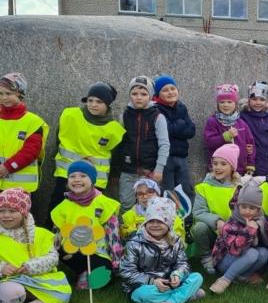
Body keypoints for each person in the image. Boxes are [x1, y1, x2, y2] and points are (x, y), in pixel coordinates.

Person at [119, 197, 204, 303]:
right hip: (144, 286)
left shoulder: (175, 241)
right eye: (151, 221)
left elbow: (183, 263)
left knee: (197, 277)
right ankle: (187, 294)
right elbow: (126, 272)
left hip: (168, 282)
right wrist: (152, 281)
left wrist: (177, 275)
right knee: (144, 294)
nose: (155, 225)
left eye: (160, 221)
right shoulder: (134, 243)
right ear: (145, 222)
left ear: (169, 223)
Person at [50, 81, 124, 212]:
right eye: (90, 100)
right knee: (58, 209)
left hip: (95, 179)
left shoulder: (115, 129)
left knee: (88, 214)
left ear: (107, 104)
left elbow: (116, 156)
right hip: (67, 174)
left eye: (99, 102)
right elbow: (58, 140)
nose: (93, 104)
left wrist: (114, 174)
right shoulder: (70, 115)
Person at [0, 188, 71, 303]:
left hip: (38, 279)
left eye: (12, 211)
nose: (6, 215)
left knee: (62, 295)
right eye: (1, 211)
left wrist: (30, 266)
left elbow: (52, 258)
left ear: (24, 213)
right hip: (9, 280)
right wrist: (2, 268)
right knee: (12, 294)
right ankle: (18, 298)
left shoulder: (40, 234)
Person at [51, 160, 122, 288]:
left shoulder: (104, 204)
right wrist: (51, 261)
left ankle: (92, 273)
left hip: (98, 252)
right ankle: (82, 271)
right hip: (73, 251)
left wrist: (116, 261)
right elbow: (56, 237)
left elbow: (113, 235)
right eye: (72, 176)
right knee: (66, 253)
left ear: (92, 180)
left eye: (83, 176)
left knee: (102, 279)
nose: (77, 180)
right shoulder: (62, 207)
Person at [116, 76, 170, 212]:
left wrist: (159, 169)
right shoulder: (124, 116)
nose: (139, 97)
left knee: (150, 205)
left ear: (150, 96)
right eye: (134, 94)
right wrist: (116, 170)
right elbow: (119, 143)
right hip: (128, 171)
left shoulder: (158, 117)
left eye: (143, 94)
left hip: (149, 171)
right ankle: (127, 226)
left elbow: (164, 145)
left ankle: (149, 226)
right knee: (126, 205)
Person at [210, 178, 268, 294]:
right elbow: (234, 250)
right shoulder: (231, 223)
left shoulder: (260, 221)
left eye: (252, 208)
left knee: (264, 253)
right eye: (244, 207)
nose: (247, 211)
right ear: (238, 206)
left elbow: (265, 241)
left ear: (258, 210)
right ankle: (225, 279)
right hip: (224, 261)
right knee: (253, 253)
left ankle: (243, 275)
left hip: (243, 259)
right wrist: (248, 231)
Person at [191, 143, 240, 274]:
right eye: (215, 163)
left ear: (232, 167)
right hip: (212, 231)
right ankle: (206, 256)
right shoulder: (204, 187)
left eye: (223, 164)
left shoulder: (238, 188)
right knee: (199, 228)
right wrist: (217, 221)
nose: (218, 167)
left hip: (232, 232)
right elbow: (198, 212)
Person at [0, 73, 48, 193]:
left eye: (8, 94)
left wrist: (7, 167)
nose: (4, 98)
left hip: (20, 188)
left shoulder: (33, 122)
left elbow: (31, 151)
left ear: (20, 94)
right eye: (0, 94)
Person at [153, 75, 196, 196]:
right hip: (165, 158)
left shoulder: (181, 107)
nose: (170, 92)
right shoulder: (156, 109)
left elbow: (191, 130)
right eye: (165, 90)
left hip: (182, 156)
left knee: (185, 190)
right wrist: (181, 124)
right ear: (158, 94)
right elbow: (167, 130)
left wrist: (175, 126)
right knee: (167, 190)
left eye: (173, 88)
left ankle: (186, 209)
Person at [204, 83, 256, 177]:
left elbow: (250, 145)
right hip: (219, 170)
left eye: (229, 102)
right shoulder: (213, 121)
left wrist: (250, 164)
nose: (226, 105)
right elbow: (209, 143)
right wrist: (226, 137)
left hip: (240, 170)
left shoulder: (242, 124)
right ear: (217, 104)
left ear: (235, 104)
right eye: (222, 102)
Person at [120, 178, 185, 242]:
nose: (145, 196)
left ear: (158, 194)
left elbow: (178, 237)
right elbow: (125, 236)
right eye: (140, 194)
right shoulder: (128, 215)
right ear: (136, 197)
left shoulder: (170, 212)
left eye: (150, 192)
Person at [239, 81, 268, 178]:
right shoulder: (243, 117)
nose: (258, 103)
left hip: (267, 155)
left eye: (262, 99)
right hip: (252, 157)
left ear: (266, 101)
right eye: (254, 99)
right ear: (249, 100)